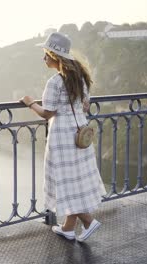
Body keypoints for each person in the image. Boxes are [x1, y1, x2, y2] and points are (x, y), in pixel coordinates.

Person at [20, 32, 106, 242]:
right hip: (79, 133)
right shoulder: (80, 77)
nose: (44, 59)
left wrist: (30, 102)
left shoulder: (55, 81)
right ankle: (68, 227)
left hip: (62, 136)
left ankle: (87, 221)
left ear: (54, 57)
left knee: (65, 181)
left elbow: (47, 113)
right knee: (74, 181)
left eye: (45, 55)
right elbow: (85, 106)